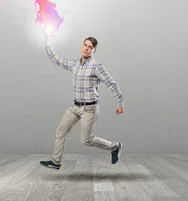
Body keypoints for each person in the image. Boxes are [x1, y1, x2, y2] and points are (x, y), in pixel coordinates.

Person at [39, 35, 124, 170]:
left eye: (90, 47)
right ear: (82, 46)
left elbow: (111, 84)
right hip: (75, 107)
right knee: (61, 131)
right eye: (85, 45)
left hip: (90, 109)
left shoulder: (96, 66)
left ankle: (115, 146)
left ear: (94, 50)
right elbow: (56, 60)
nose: (87, 49)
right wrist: (48, 40)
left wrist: (119, 103)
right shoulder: (75, 64)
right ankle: (56, 162)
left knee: (86, 140)